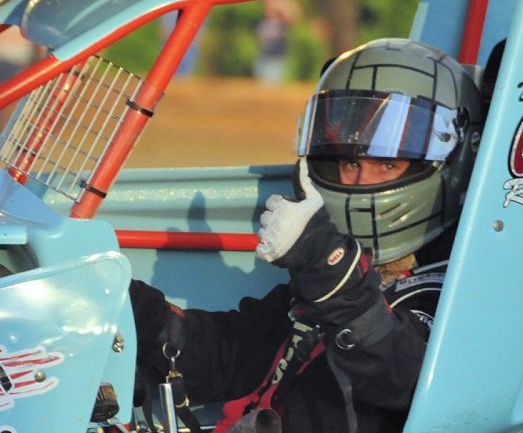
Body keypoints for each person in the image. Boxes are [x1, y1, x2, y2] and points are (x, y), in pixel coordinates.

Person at [129, 38, 484, 432]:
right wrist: (137, 316)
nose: (362, 181)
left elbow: (399, 375)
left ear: (455, 161)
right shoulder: (351, 274)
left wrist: (327, 266)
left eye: (387, 163)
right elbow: (234, 356)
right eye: (350, 162)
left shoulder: (463, 291)